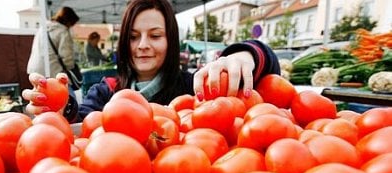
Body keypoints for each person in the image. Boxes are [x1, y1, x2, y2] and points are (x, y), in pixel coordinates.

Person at [23, 0, 279, 123]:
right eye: (133, 37)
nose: (143, 45)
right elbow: (83, 123)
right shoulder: (106, 91)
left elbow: (267, 71)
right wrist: (59, 107)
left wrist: (243, 54)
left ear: (171, 41)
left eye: (155, 35)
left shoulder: (195, 87)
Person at [26, 6, 80, 97]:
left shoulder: (43, 28)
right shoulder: (63, 32)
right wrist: (71, 67)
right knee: (67, 98)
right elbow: (67, 57)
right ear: (69, 21)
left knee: (41, 97)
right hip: (53, 71)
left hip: (35, 70)